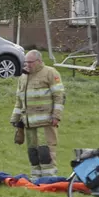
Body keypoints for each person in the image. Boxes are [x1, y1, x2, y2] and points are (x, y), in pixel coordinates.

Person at [10, 49, 65, 178]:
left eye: (30, 62)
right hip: (28, 123)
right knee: (32, 152)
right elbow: (19, 100)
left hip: (46, 122)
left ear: (39, 61)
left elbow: (59, 96)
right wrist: (15, 119)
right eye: (25, 62)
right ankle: (36, 180)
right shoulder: (23, 77)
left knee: (45, 152)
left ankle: (50, 179)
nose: (27, 65)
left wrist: (56, 116)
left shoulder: (50, 73)